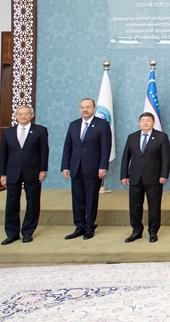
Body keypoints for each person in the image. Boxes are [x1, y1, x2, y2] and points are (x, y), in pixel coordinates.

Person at [61, 98, 111, 240]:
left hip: (93, 168)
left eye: (88, 107)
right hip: (76, 168)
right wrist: (65, 166)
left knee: (91, 199)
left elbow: (106, 147)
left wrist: (103, 166)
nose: (85, 109)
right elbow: (68, 146)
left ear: (94, 108)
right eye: (82, 107)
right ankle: (79, 226)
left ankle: (89, 227)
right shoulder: (74, 125)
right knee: (77, 199)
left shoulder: (102, 124)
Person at [0, 106, 49, 244]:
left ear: (31, 115)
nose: (22, 116)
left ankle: (27, 232)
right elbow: (3, 154)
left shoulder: (40, 130)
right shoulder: (8, 132)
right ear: (16, 116)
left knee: (32, 202)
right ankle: (12, 233)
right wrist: (3, 173)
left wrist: (43, 170)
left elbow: (44, 151)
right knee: (11, 202)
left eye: (26, 114)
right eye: (19, 114)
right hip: (12, 171)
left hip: (33, 170)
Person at [120, 112, 170, 243]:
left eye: (148, 120)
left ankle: (153, 231)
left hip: (154, 177)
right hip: (135, 177)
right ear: (139, 123)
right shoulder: (132, 137)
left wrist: (164, 175)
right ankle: (136, 231)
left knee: (154, 206)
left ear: (153, 122)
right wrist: (124, 175)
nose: (145, 123)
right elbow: (126, 157)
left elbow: (166, 158)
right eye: (142, 120)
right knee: (135, 206)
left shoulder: (161, 137)